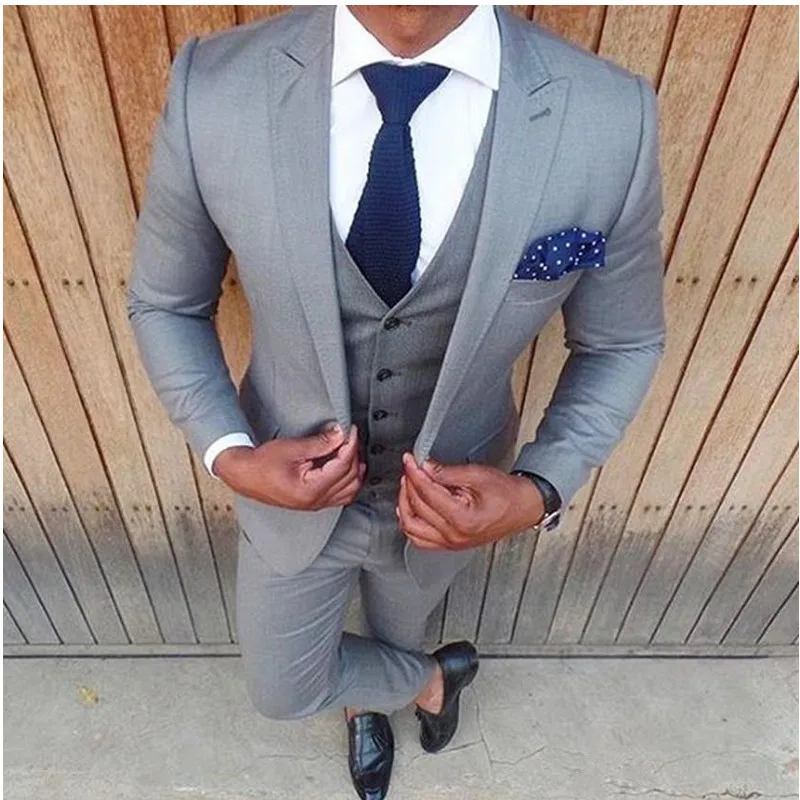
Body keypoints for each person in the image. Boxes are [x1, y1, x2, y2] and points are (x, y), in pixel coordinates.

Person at [127, 5, 666, 798]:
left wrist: (539, 490)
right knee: (281, 687)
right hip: (283, 495)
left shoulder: (611, 118)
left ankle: (371, 702)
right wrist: (228, 455)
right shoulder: (216, 88)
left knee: (399, 623)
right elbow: (165, 304)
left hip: (452, 501)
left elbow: (622, 342)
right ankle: (427, 682)